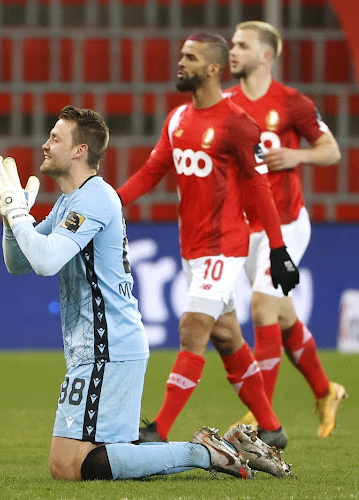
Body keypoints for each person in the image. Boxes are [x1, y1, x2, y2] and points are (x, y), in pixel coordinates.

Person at [0, 105, 291, 481]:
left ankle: (206, 451)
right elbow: (21, 262)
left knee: (67, 466)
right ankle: (219, 448)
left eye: (55, 138)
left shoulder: (95, 198)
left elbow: (46, 261)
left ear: (80, 151)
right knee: (96, 460)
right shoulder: (70, 201)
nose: (44, 146)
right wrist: (12, 220)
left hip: (106, 348)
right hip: (103, 347)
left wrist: (18, 215)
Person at [117, 33, 300, 451]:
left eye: (190, 57)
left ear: (214, 69)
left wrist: (278, 248)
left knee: (192, 327)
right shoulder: (178, 119)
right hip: (191, 248)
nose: (180, 63)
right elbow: (151, 172)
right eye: (181, 54)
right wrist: (111, 201)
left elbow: (258, 189)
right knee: (226, 335)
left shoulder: (237, 123)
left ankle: (157, 431)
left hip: (224, 246)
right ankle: (271, 427)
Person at [224, 20, 346, 443]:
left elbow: (331, 151)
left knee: (261, 307)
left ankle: (261, 419)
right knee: (281, 314)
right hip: (246, 227)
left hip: (288, 225)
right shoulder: (226, 105)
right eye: (232, 44)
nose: (232, 52)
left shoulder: (292, 103)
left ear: (266, 55)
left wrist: (295, 155)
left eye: (241, 45)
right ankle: (326, 390)